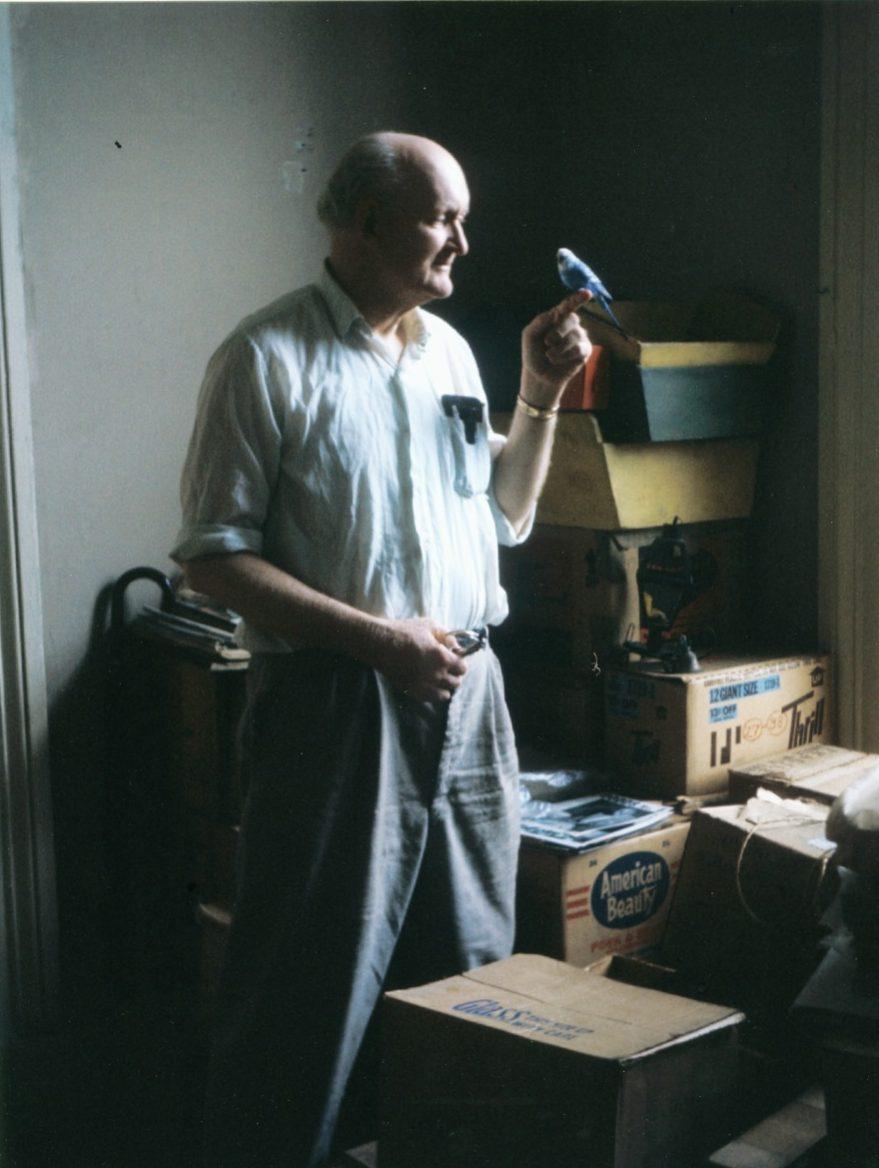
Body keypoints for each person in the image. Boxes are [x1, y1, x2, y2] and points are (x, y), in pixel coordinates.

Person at [172, 131, 591, 1167]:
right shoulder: (264, 358)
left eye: (461, 217)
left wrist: (536, 396)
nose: (462, 239)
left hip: (469, 694)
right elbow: (212, 560)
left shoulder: (449, 352)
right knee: (308, 981)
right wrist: (381, 640)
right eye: (441, 216)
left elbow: (507, 510)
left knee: (470, 963)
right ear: (364, 223)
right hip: (336, 700)